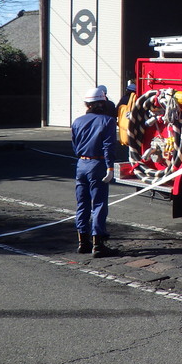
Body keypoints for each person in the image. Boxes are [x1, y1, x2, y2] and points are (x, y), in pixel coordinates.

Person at [71, 87, 117, 258]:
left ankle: (82, 241)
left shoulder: (77, 121)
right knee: (98, 204)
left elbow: (75, 146)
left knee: (82, 204)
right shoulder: (108, 121)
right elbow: (109, 146)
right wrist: (110, 167)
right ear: (101, 103)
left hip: (81, 163)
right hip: (98, 164)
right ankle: (98, 244)